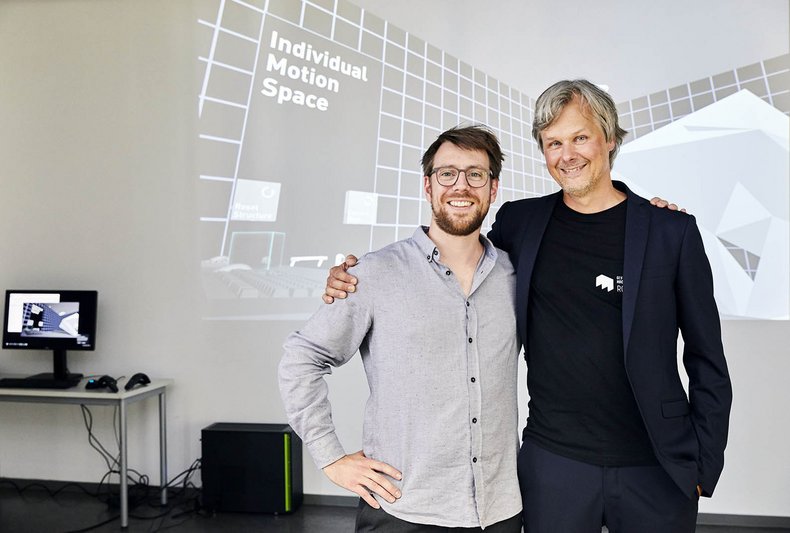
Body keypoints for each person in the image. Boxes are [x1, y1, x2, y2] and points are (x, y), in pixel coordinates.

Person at [324, 79, 732, 533]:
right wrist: (352, 279)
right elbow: (459, 277)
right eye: (554, 142)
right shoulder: (521, 223)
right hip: (553, 465)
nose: (567, 154)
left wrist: (704, 462)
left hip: (656, 466)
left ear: (611, 139)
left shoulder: (670, 232)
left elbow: (706, 358)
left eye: (580, 137)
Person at [279, 126, 524, 531]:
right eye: (447, 173)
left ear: (492, 189)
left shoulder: (516, 276)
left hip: (500, 511)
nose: (460, 185)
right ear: (427, 186)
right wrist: (330, 457)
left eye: (475, 174)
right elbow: (302, 359)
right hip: (402, 509)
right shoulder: (373, 275)